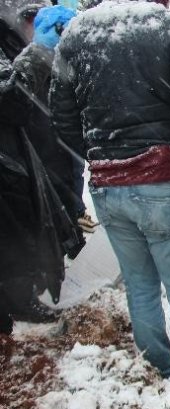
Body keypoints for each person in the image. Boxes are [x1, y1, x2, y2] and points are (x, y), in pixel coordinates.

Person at [49, 0, 170, 404]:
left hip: (108, 186)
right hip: (165, 180)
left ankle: (158, 368)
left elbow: (61, 115)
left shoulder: (75, 34)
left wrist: (99, 160)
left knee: (140, 286)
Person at [0, 0, 83, 334]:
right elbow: (9, 102)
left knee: (34, 222)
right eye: (29, 16)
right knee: (13, 228)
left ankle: (29, 287)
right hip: (10, 162)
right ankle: (15, 305)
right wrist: (38, 53)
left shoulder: (13, 37)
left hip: (33, 154)